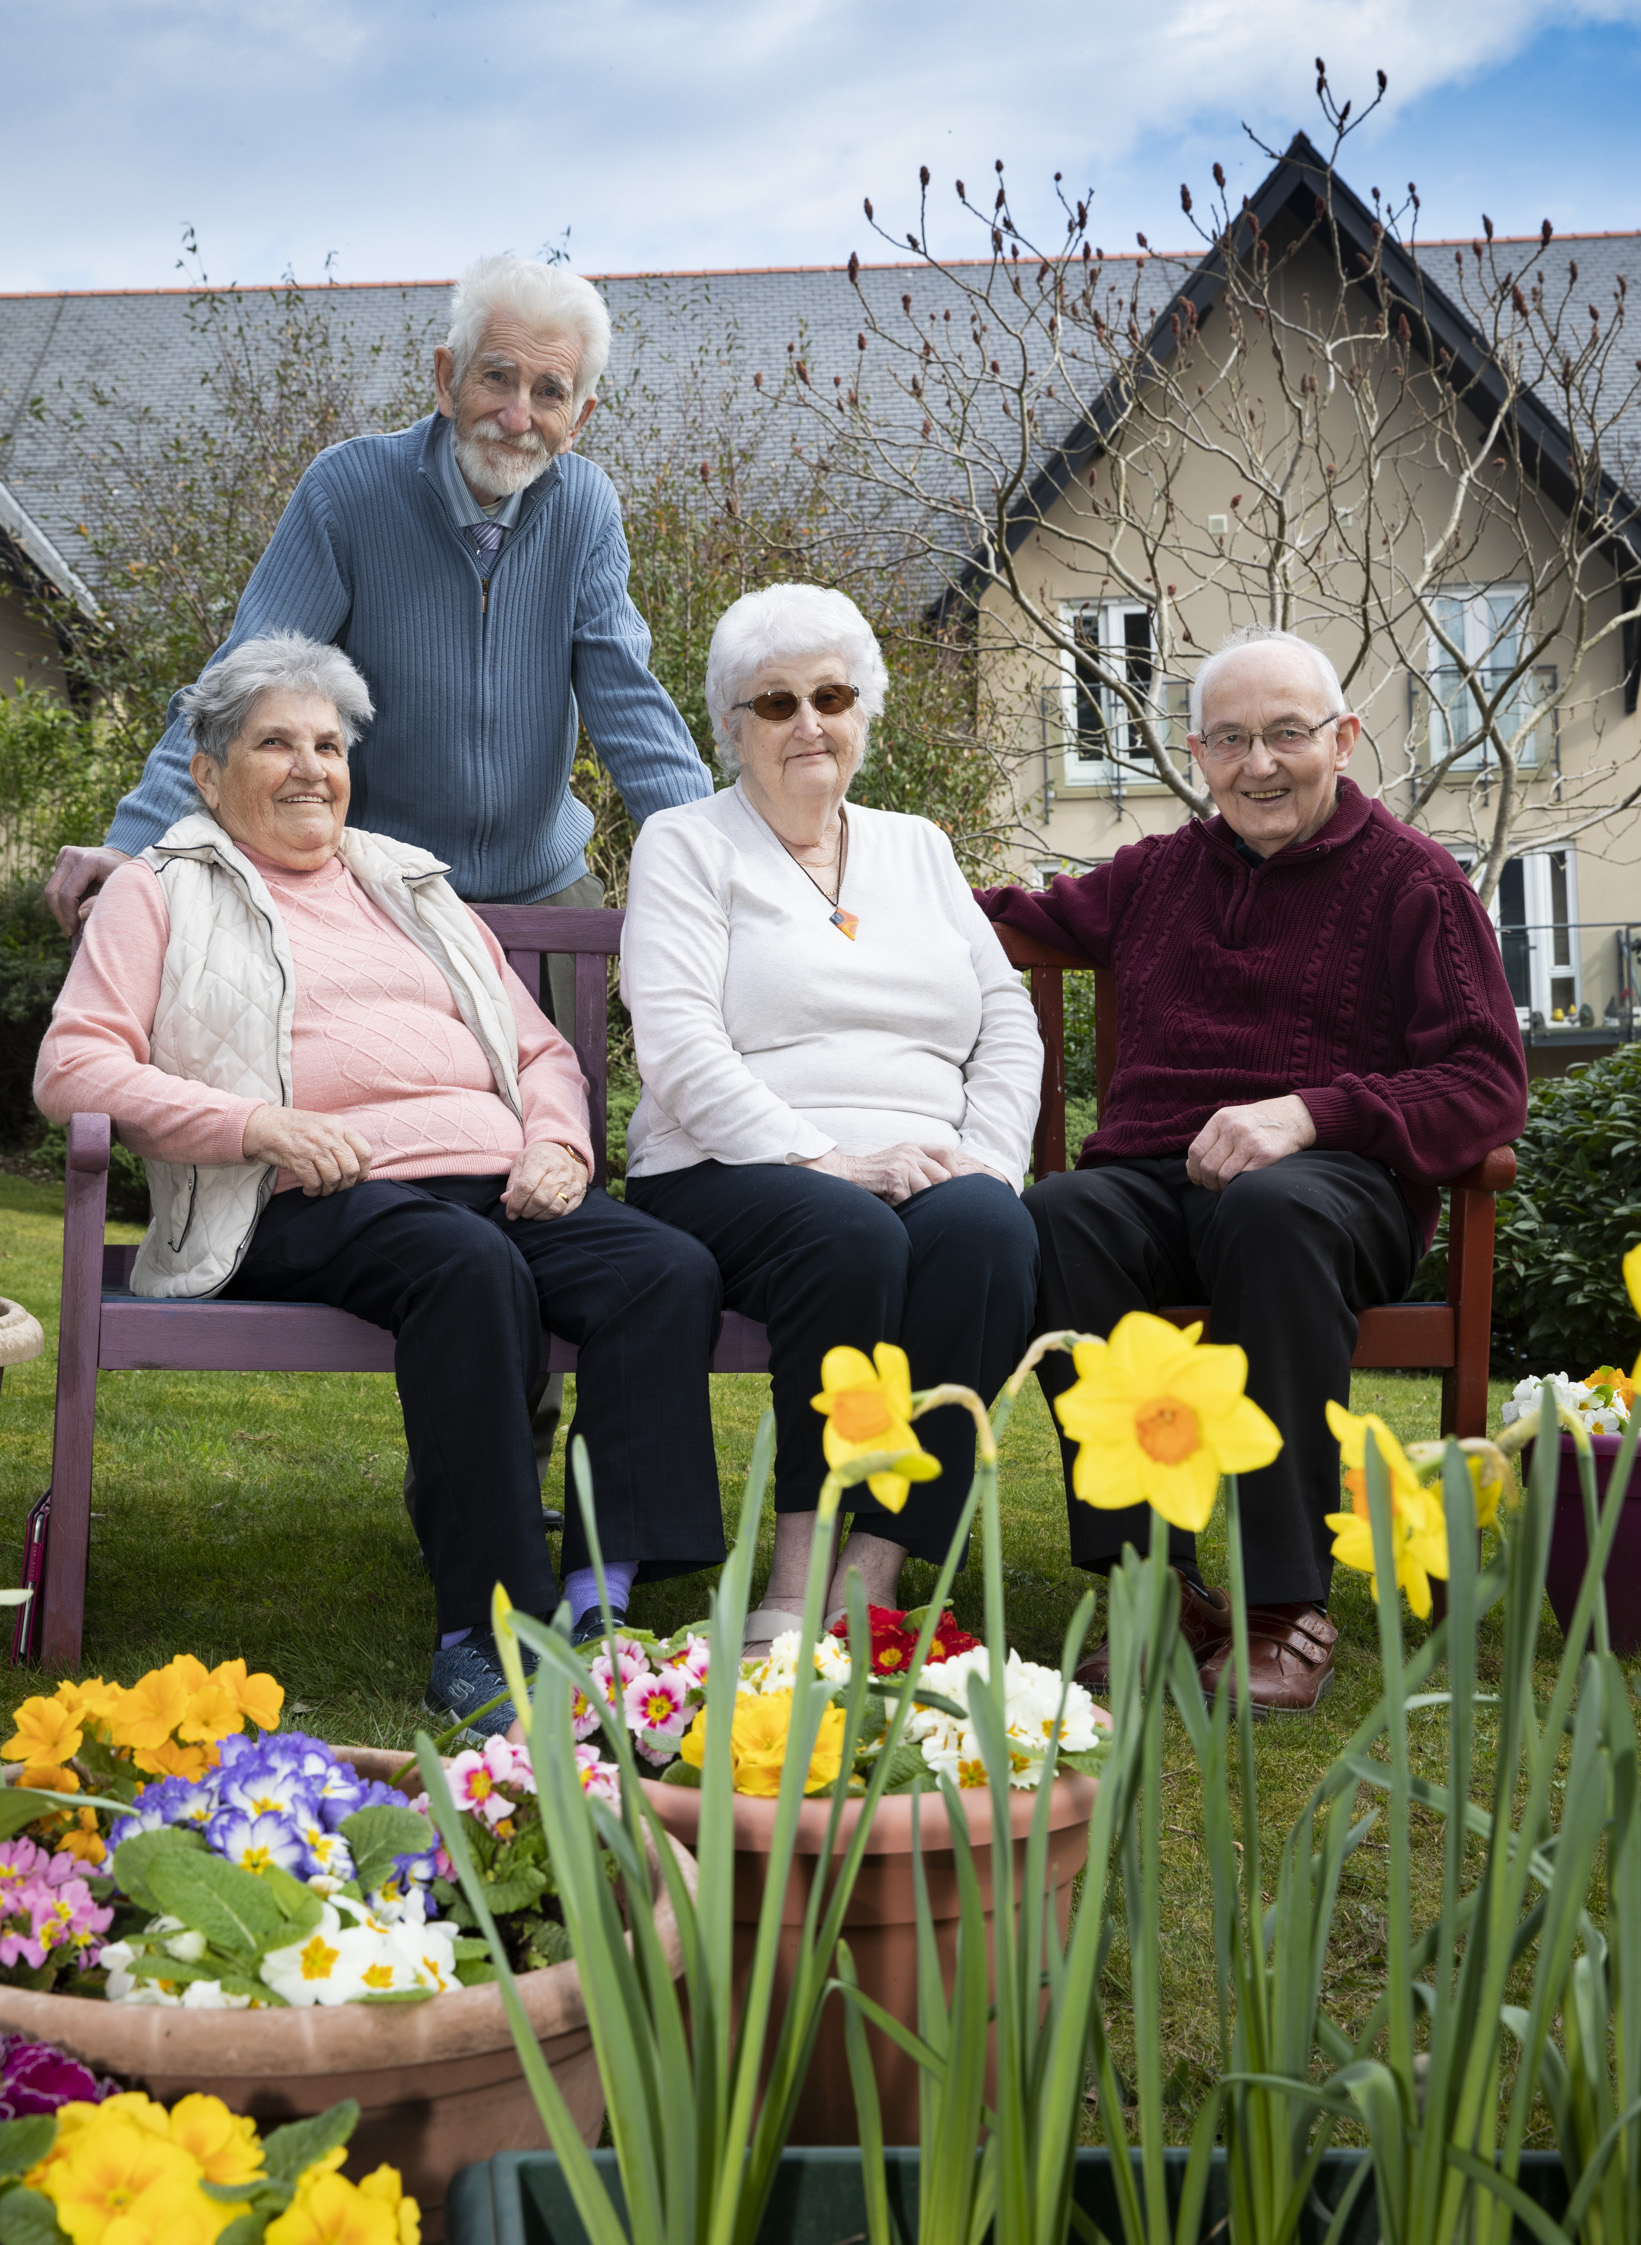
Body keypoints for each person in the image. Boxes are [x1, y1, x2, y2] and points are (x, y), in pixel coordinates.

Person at [43, 254, 715, 1476]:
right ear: (445, 373)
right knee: (433, 1209)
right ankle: (484, 1456)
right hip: (383, 897)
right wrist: (139, 842)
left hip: (535, 882)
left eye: (550, 390)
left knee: (553, 1172)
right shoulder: (351, 489)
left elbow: (628, 700)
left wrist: (732, 862)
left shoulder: (585, 509)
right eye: (497, 376)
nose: (519, 412)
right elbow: (250, 670)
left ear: (584, 413)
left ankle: (538, 1450)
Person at [34, 633, 725, 1728]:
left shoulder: (409, 884)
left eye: (328, 743)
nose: (312, 765)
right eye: (276, 743)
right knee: (466, 1266)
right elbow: (73, 1063)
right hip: (299, 1192)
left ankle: (601, 1599)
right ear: (210, 773)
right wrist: (255, 1122)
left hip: (496, 1179)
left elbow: (540, 1050)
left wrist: (558, 1144)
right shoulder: (163, 889)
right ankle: (485, 1633)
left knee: (665, 1267)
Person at [979, 627, 1529, 1714]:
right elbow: (1007, 921)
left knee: (1272, 1213)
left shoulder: (1415, 882)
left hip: (1334, 1192)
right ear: (1198, 752)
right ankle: (1155, 1590)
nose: (1260, 763)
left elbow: (1486, 1084)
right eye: (1232, 740)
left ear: (1344, 736)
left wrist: (1313, 1111)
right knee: (1058, 1215)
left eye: (1288, 733)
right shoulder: (1159, 873)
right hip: (1153, 1181)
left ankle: (1287, 1607)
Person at [620, 584, 1043, 1642]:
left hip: (923, 1165)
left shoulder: (918, 847)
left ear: (865, 713)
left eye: (832, 695)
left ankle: (877, 1565)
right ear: (732, 727)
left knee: (991, 1231)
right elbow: (677, 1045)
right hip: (726, 1168)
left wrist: (986, 1159)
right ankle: (796, 1576)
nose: (808, 721)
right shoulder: (686, 843)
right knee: (847, 1230)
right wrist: (826, 1158)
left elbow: (1008, 1023)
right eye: (775, 703)